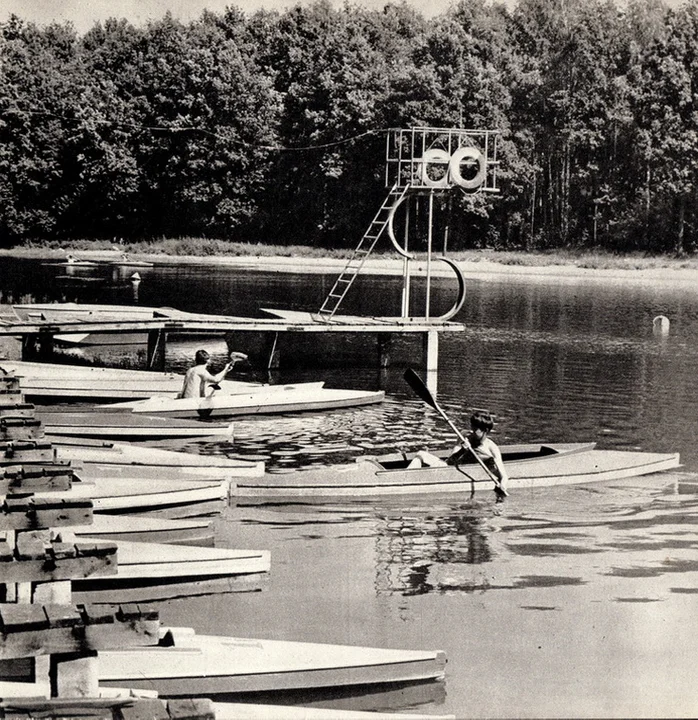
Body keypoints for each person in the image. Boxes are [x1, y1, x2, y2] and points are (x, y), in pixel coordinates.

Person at [449, 410, 509, 501]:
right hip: (453, 470)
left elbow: (504, 476)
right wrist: (462, 450)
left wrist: (502, 486)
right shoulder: (464, 436)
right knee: (420, 455)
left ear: (485, 430)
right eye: (471, 427)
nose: (471, 432)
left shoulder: (492, 448)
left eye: (475, 430)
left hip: (469, 473)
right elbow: (449, 462)